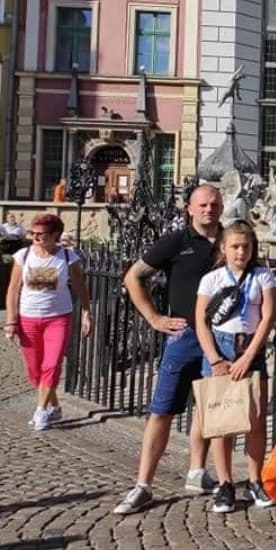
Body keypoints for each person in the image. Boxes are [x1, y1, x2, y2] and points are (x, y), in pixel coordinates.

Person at [113, 185, 224, 515]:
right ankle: (143, 484)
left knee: (207, 407)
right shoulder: (176, 241)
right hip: (184, 334)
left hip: (220, 337)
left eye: (214, 204)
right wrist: (154, 318)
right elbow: (134, 277)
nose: (209, 209)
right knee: (162, 409)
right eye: (202, 204)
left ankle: (197, 471)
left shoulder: (229, 240)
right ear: (189, 208)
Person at [194, 220, 276, 514]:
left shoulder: (262, 276)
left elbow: (267, 317)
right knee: (222, 420)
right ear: (224, 248)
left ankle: (254, 479)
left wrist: (249, 355)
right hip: (221, 347)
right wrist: (215, 358)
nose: (241, 252)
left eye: (246, 247)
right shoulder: (212, 279)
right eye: (235, 247)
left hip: (249, 348)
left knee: (256, 418)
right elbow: (201, 321)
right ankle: (225, 482)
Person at [4, 213, 92, 430]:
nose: (35, 238)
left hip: (58, 317)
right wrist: (11, 320)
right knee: (35, 370)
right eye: (32, 233)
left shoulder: (68, 256)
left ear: (55, 235)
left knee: (51, 365)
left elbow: (80, 286)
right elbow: (13, 289)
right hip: (28, 318)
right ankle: (54, 406)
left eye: (40, 234)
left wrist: (87, 312)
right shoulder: (23, 256)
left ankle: (41, 410)